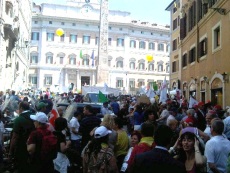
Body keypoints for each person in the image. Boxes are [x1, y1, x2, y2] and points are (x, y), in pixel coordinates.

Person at [9, 101, 35, 173]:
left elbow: (15, 137)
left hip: (22, 147)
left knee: (21, 167)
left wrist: (11, 151)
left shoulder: (19, 119)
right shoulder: (34, 116)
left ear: (21, 108)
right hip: (34, 146)